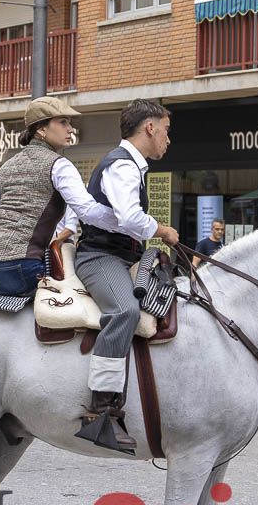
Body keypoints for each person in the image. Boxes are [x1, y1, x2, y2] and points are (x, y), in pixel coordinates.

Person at [76, 99, 180, 452]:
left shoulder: (132, 167)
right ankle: (101, 410)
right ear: (150, 128)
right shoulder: (122, 167)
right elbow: (129, 217)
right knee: (125, 311)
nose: (168, 139)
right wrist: (162, 230)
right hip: (100, 257)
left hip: (124, 256)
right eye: (166, 131)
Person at [0, 97, 125, 297]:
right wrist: (131, 223)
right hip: (17, 272)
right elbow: (88, 212)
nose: (71, 129)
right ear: (41, 130)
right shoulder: (60, 165)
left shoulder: (6, 167)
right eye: (63, 122)